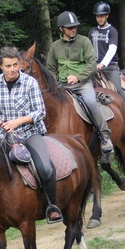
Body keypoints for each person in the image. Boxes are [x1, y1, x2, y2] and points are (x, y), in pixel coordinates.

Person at [0, 46, 63, 223]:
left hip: (30, 132)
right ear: (0, 66)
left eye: (15, 65)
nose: (12, 69)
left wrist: (18, 121)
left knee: (45, 168)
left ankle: (52, 205)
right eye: (8, 66)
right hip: (3, 132)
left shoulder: (30, 82)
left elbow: (40, 112)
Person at [47, 11, 114, 154]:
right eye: (70, 27)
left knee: (91, 102)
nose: (73, 29)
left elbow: (92, 64)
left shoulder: (84, 41)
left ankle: (105, 136)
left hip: (82, 84)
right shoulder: (55, 46)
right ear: (61, 29)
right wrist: (54, 84)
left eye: (75, 27)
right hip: (62, 86)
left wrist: (78, 77)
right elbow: (50, 68)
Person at [88, 1, 125, 104]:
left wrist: (103, 64)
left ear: (107, 16)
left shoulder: (112, 31)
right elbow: (89, 49)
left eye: (102, 16)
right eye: (97, 16)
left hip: (110, 67)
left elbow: (112, 49)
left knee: (118, 89)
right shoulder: (92, 32)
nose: (99, 19)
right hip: (94, 66)